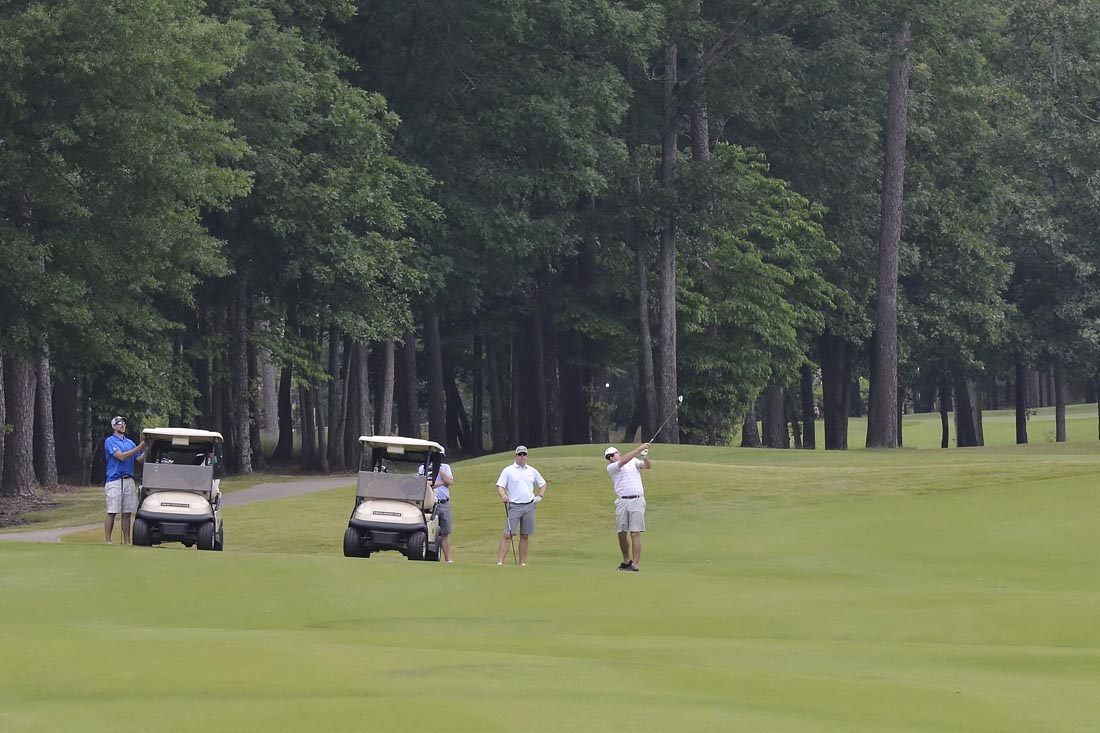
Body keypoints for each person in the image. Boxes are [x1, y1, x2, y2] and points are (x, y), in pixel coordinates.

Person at [496, 445, 548, 566]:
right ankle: (500, 562)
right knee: (508, 535)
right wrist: (503, 495)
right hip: (514, 506)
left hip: (529, 506)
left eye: (524, 454)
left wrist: (540, 496)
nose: (522, 457)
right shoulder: (508, 470)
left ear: (527, 456)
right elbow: (500, 486)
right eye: (520, 454)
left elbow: (543, 484)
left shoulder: (532, 471)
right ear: (516, 456)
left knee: (525, 535)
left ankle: (522, 563)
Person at [604, 443, 651, 571]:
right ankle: (626, 560)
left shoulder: (633, 461)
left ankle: (635, 564)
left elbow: (647, 466)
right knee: (621, 533)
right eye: (608, 457)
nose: (610, 458)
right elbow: (623, 461)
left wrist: (644, 456)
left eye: (613, 454)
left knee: (635, 532)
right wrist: (639, 449)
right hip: (622, 501)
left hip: (637, 499)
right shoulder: (611, 467)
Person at [104, 416, 146, 545]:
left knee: (127, 513)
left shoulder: (130, 443)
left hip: (129, 480)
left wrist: (148, 448)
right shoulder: (110, 441)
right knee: (112, 511)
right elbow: (120, 457)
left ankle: (127, 541)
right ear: (113, 426)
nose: (122, 425)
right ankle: (108, 540)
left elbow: (140, 459)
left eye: (124, 423)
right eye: (119, 423)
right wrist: (138, 448)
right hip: (115, 480)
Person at [420, 458, 456, 562]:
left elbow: (449, 481)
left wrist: (439, 469)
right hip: (428, 504)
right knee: (427, 531)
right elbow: (423, 484)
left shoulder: (445, 467)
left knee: (445, 533)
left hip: (444, 503)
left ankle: (448, 560)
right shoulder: (423, 467)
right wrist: (442, 482)